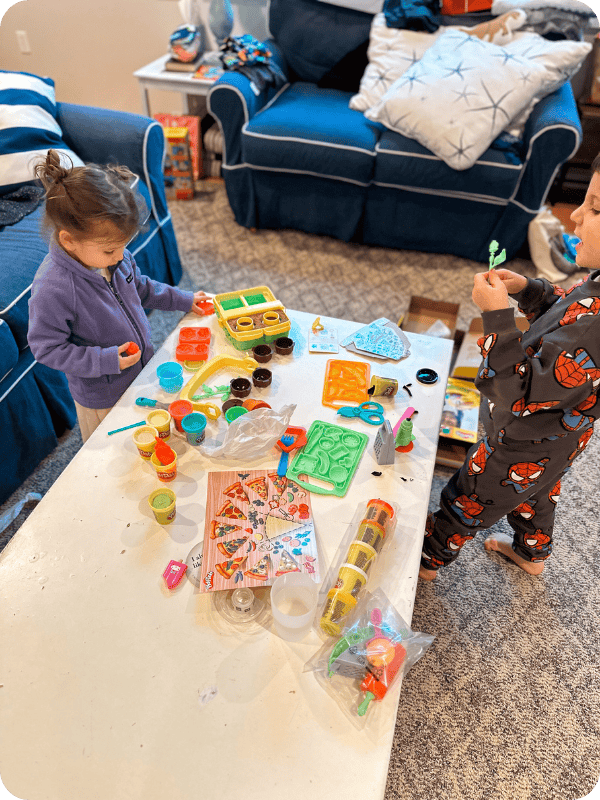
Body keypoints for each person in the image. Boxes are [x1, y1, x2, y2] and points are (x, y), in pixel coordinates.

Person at [420, 156, 600, 580]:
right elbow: (566, 312)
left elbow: (518, 392)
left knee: (469, 496)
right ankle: (532, 553)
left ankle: (426, 563)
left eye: (594, 207)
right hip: (556, 441)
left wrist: (497, 319)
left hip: (521, 438)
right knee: (537, 492)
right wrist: (529, 290)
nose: (573, 215)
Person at [28, 150, 209, 442]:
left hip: (139, 372)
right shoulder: (53, 288)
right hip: (102, 396)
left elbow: (142, 287)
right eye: (111, 250)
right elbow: (46, 349)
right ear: (68, 240)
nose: (122, 256)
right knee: (112, 450)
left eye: (124, 246)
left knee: (145, 439)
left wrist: (183, 299)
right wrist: (106, 360)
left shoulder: (113, 258)